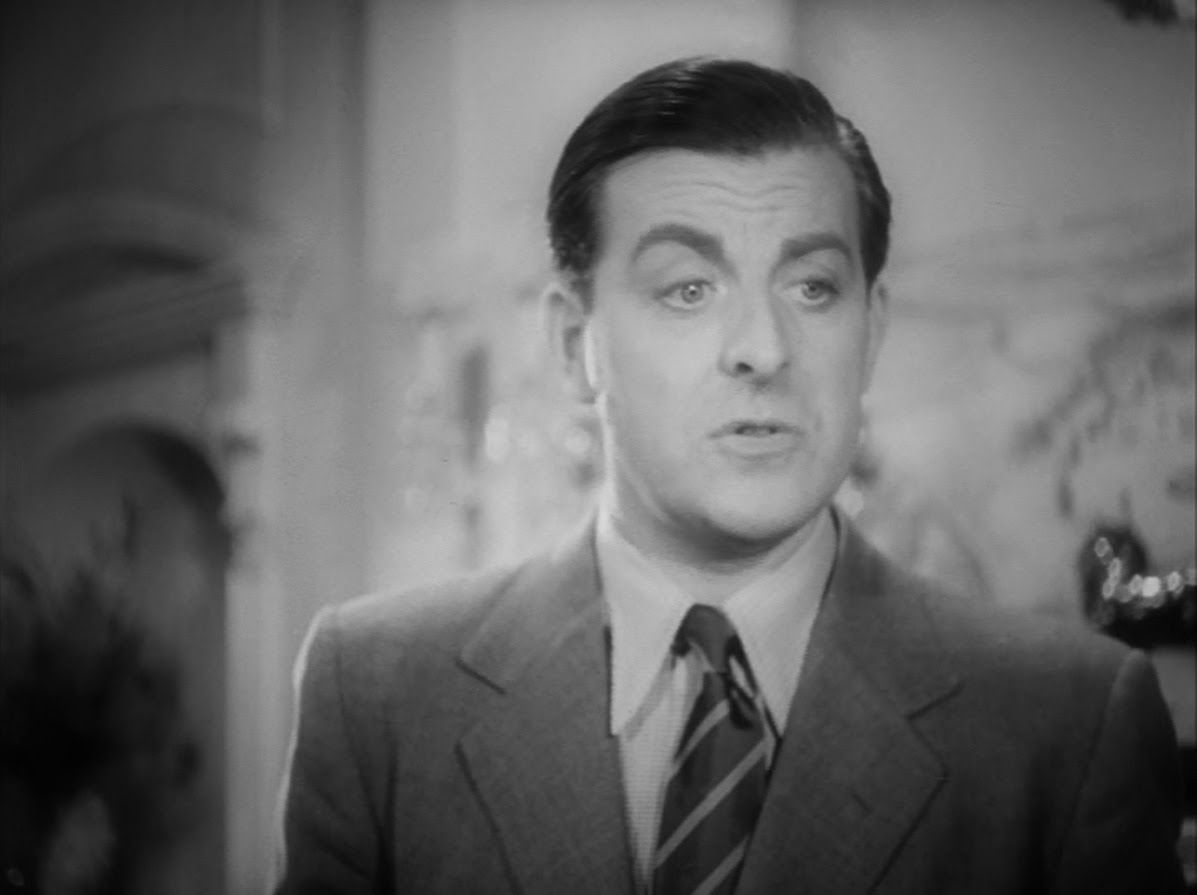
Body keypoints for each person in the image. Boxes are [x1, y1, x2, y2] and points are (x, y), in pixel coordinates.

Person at [274, 57, 1185, 894]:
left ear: (871, 330)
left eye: (812, 287)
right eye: (688, 289)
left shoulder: (1068, 722)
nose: (763, 349)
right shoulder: (378, 692)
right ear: (573, 343)